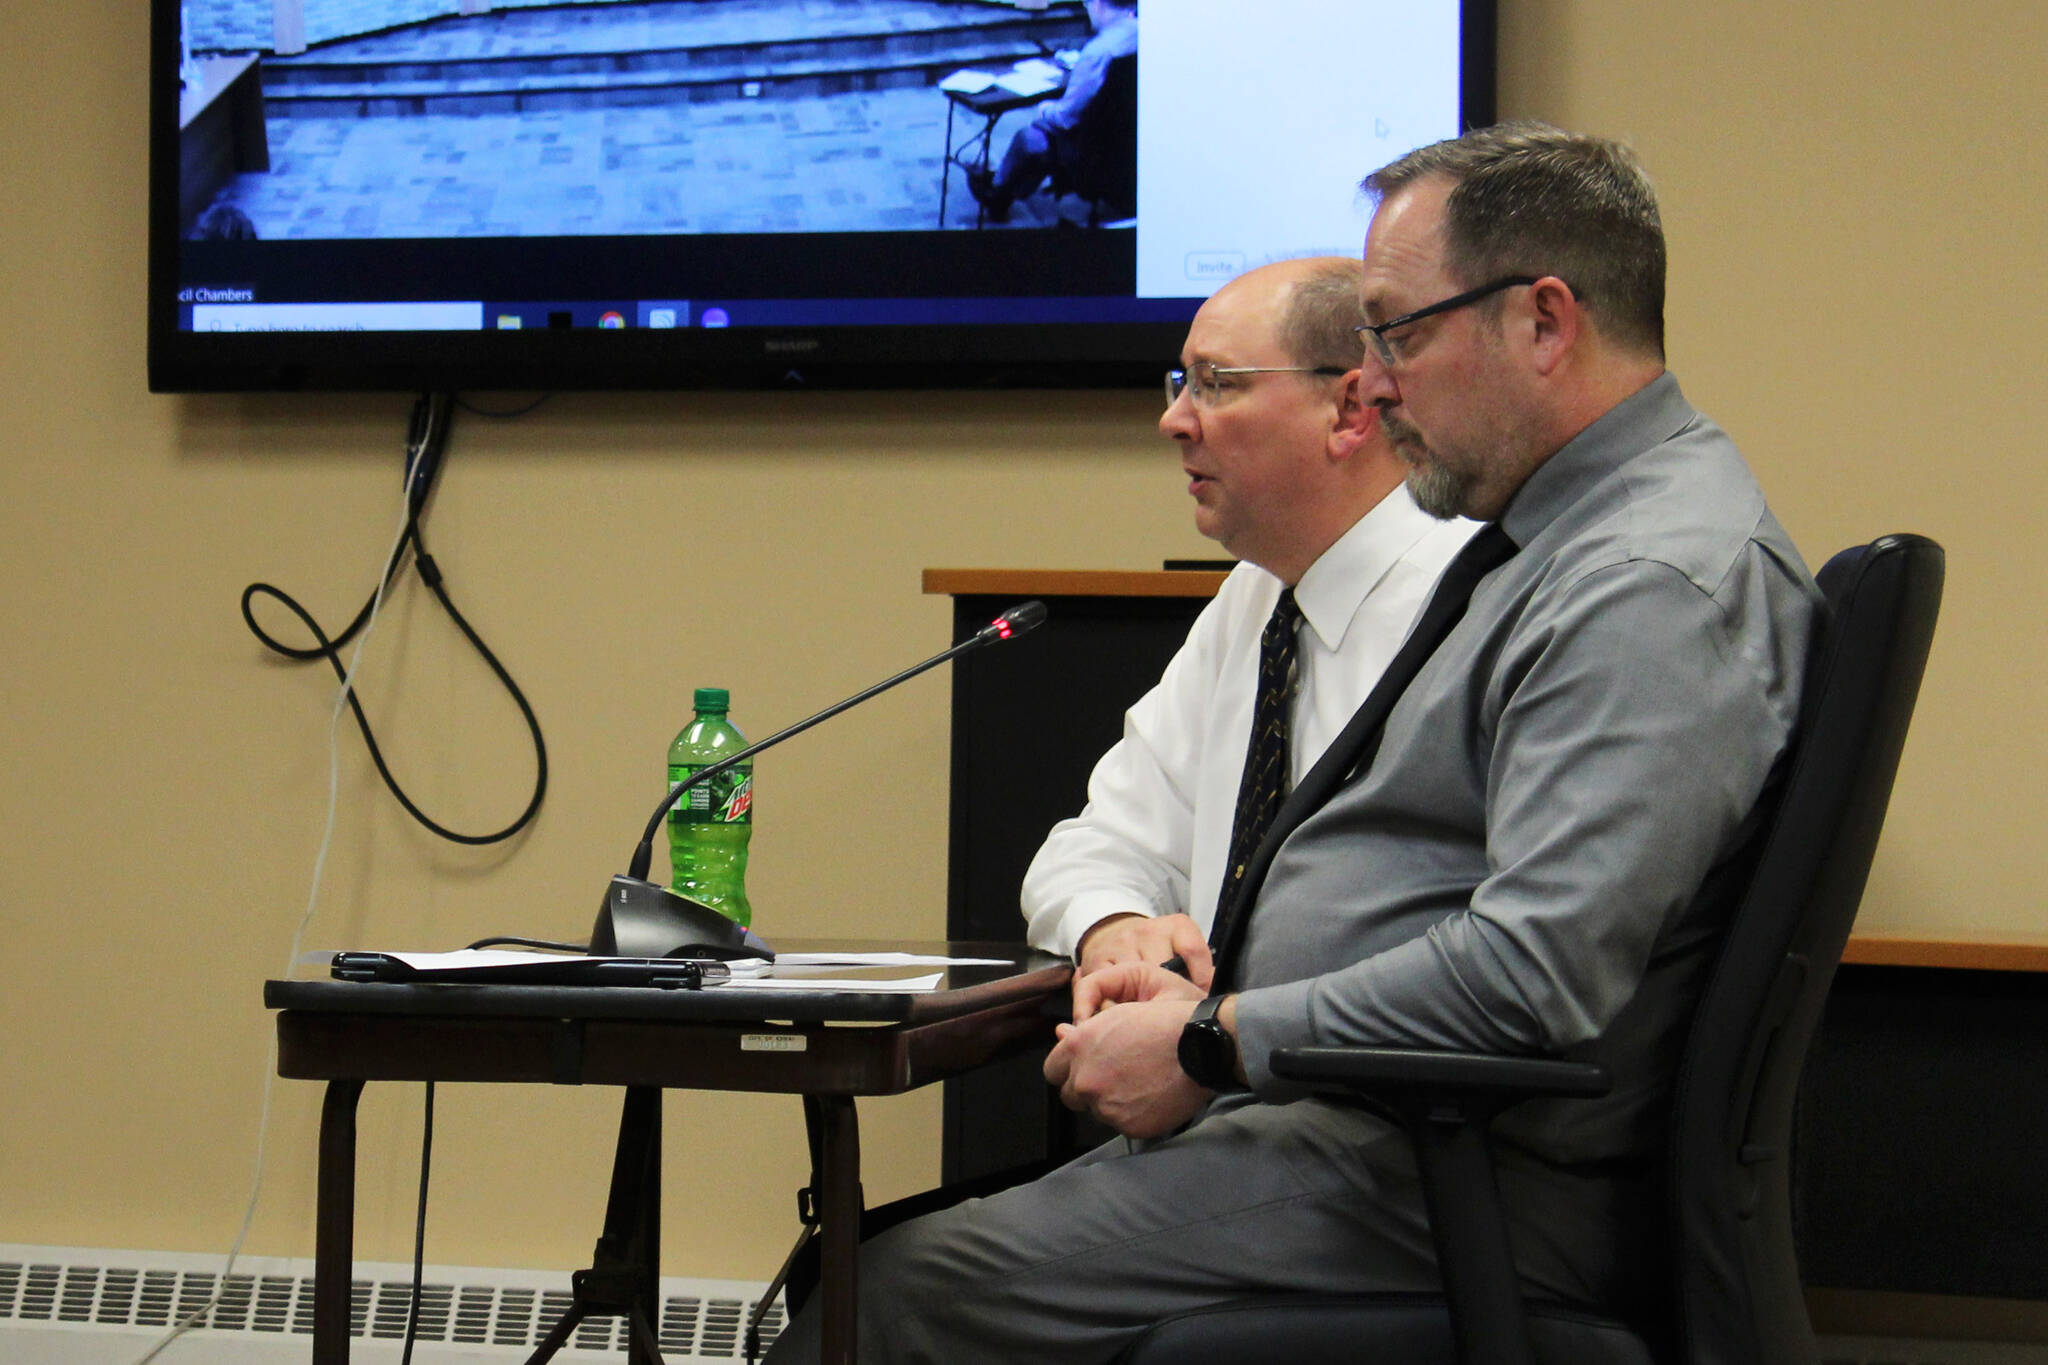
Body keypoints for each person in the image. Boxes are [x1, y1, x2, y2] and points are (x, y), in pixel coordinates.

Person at [765, 123, 1823, 1365]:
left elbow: (1533, 974)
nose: (1372, 384)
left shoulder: (1643, 582)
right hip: (1361, 1137)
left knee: (894, 1296)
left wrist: (1213, 1043)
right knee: (866, 1271)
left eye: (1399, 333)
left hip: (1439, 1176)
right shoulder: (1558, 545)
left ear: (1543, 323)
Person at [965, 0, 1138, 222]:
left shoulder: (1098, 52)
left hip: (1093, 150)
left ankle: (997, 194)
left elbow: (1065, 117)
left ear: (1099, 4)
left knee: (1031, 137)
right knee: (1042, 139)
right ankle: (1008, 190)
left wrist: (1046, 109)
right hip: (1128, 140)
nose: (1086, 8)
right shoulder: (1144, 34)